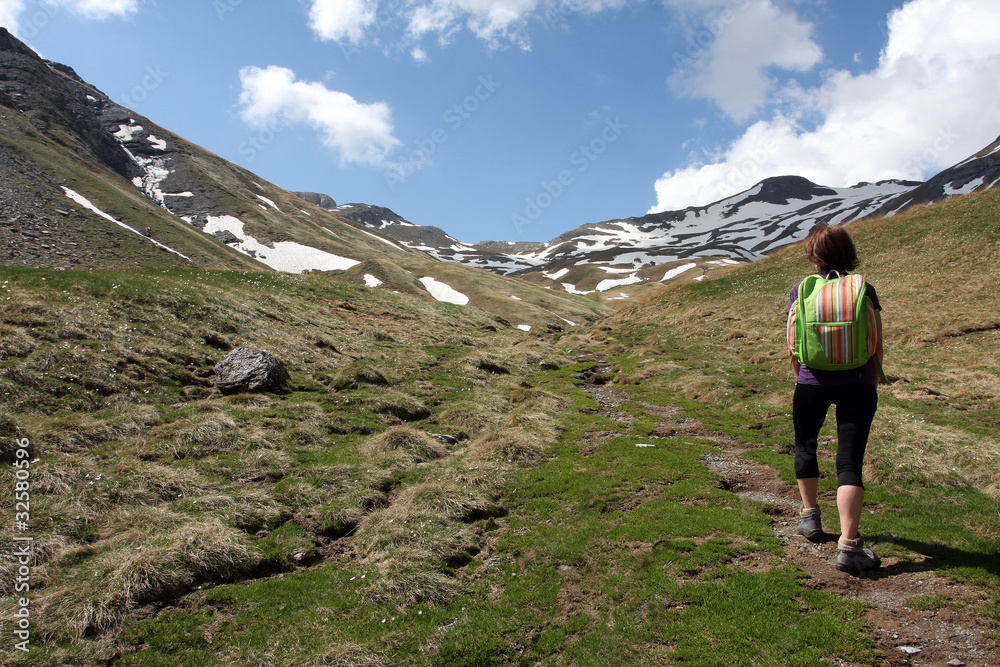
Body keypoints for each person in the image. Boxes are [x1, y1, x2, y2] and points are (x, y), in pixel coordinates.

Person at [787, 224, 884, 577]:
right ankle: (848, 547)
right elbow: (876, 341)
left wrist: (803, 374)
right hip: (858, 383)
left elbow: (793, 341)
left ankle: (810, 517)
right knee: (849, 463)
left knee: (806, 447)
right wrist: (872, 376)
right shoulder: (864, 289)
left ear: (815, 256)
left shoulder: (802, 290)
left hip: (811, 382)